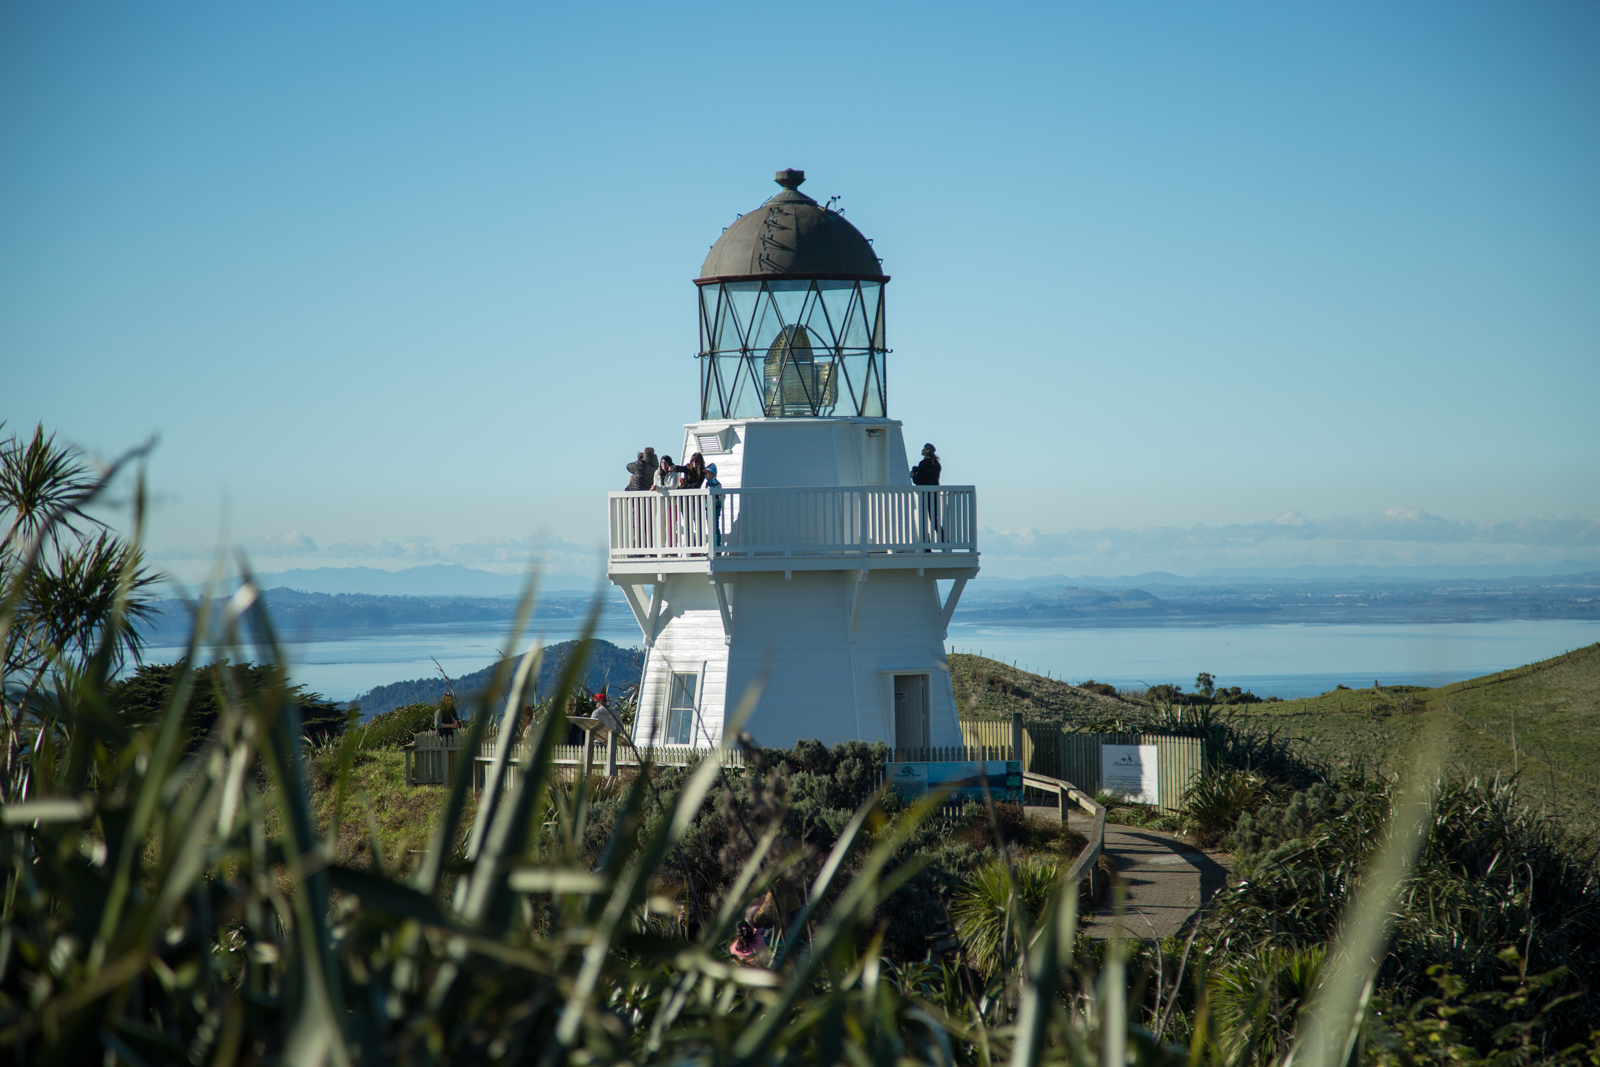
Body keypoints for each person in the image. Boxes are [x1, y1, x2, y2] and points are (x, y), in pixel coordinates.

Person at [910, 443, 942, 547]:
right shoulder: (936, 464)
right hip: (935, 493)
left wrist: (913, 475)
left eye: (924, 448)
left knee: (923, 518)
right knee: (934, 517)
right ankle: (944, 538)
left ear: (927, 450)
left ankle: (926, 541)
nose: (922, 450)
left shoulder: (923, 463)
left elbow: (919, 481)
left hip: (925, 494)